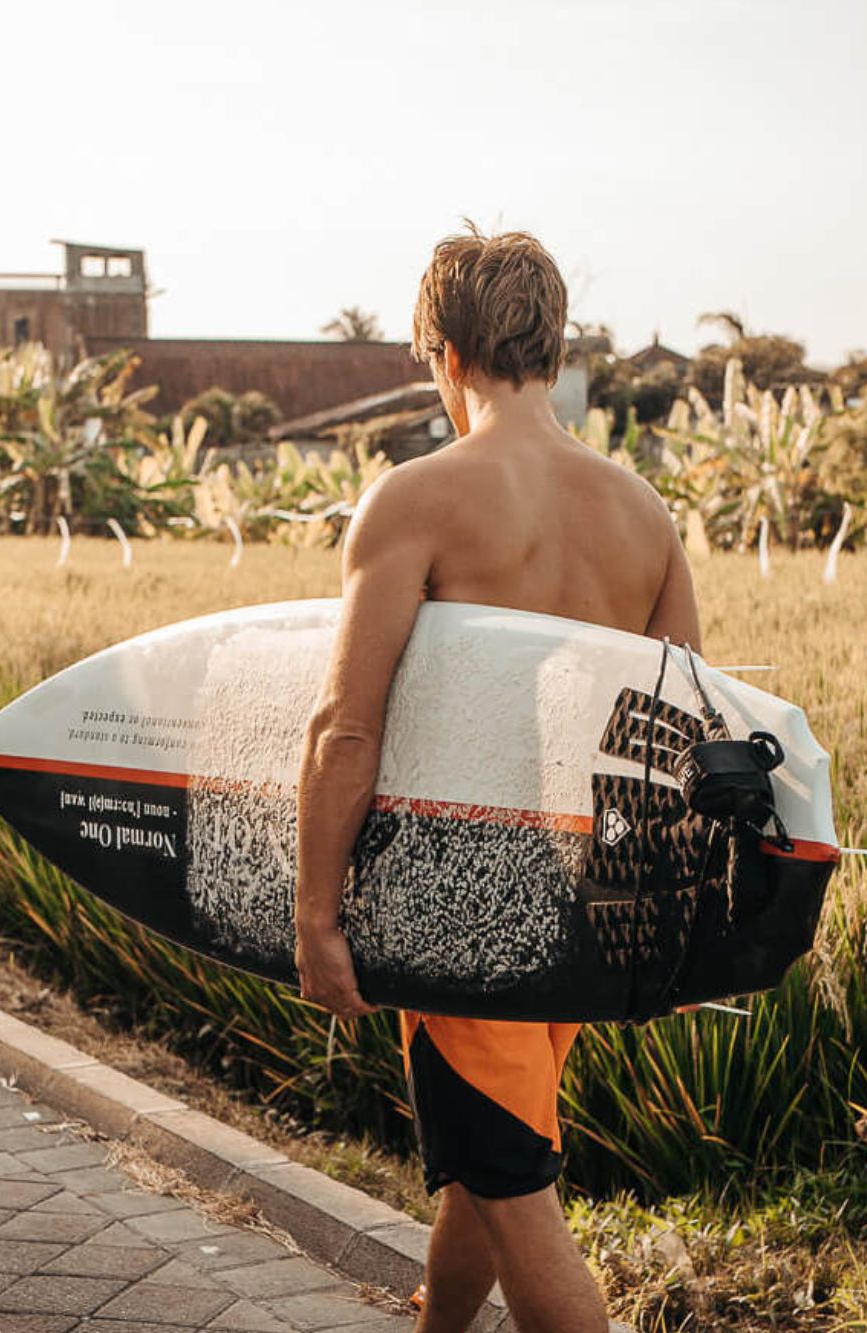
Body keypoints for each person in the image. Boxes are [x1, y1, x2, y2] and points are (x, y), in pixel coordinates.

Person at [293, 227, 699, 1333]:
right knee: (491, 1152)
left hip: (462, 887)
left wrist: (315, 912)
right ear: (549, 343)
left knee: (515, 1189)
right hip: (591, 891)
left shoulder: (415, 499)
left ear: (443, 349)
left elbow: (343, 727)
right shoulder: (642, 516)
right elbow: (677, 736)